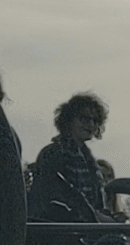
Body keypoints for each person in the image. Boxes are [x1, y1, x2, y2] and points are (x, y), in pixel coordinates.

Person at [28, 92, 114, 221]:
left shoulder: (90, 161)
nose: (90, 124)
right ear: (69, 120)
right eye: (84, 119)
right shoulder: (52, 154)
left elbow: (94, 203)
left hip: (86, 229)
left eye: (95, 120)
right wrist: (95, 218)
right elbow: (52, 201)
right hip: (61, 230)